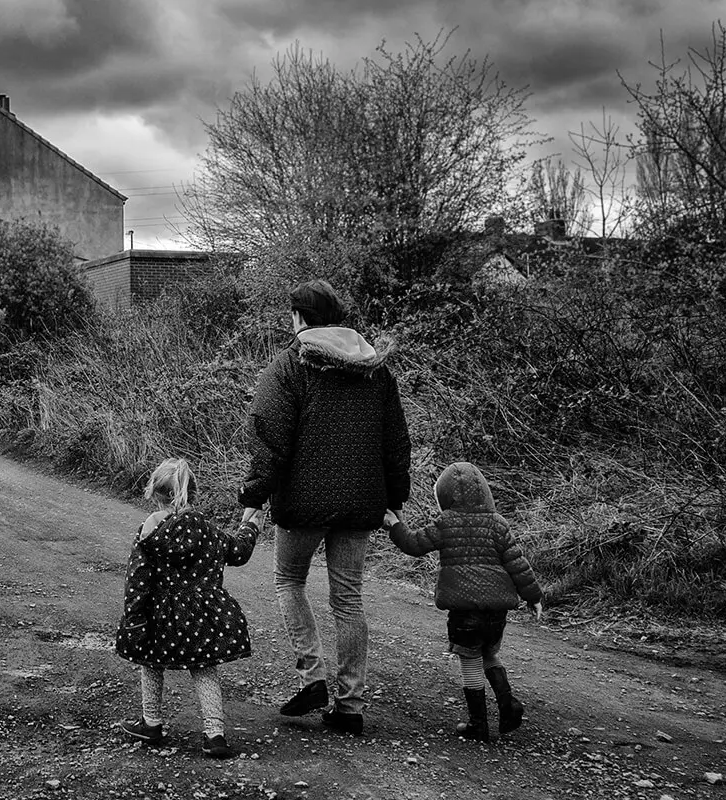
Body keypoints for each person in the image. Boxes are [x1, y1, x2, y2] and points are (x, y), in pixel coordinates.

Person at [239, 279, 410, 736]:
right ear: (336, 317)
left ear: (298, 318)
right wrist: (395, 499)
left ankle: (312, 678)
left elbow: (271, 439)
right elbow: (395, 441)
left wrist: (253, 498)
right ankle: (350, 706)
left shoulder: (291, 364)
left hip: (304, 501)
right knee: (348, 598)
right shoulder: (374, 367)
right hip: (361, 502)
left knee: (289, 580)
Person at [383, 461, 545, 742]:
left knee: (469, 661)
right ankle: (508, 705)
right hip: (497, 611)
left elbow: (414, 544)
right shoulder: (498, 523)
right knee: (490, 654)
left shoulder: (446, 523)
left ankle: (478, 724)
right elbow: (517, 563)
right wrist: (533, 597)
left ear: (445, 495)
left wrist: (395, 525)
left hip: (465, 610)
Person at [115, 458, 257, 759]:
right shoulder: (207, 530)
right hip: (202, 616)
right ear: (194, 494)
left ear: (155, 492)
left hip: (160, 614)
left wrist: (134, 619)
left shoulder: (149, 531)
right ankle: (214, 734)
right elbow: (239, 552)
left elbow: (137, 580)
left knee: (150, 663)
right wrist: (250, 525)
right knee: (204, 668)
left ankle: (151, 723)